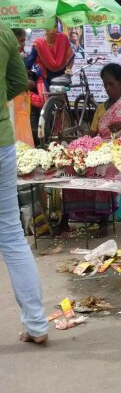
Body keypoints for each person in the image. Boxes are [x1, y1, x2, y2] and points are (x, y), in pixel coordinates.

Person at [0, 22, 48, 344]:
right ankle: (37, 325)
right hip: (2, 142)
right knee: (12, 234)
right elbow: (19, 80)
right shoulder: (4, 32)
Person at [63, 64, 121, 227]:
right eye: (105, 84)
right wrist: (80, 143)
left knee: (103, 168)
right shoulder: (100, 108)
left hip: (120, 151)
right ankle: (65, 217)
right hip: (99, 148)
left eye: (111, 84)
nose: (107, 88)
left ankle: (103, 218)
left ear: (120, 82)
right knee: (71, 165)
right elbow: (92, 134)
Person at [10, 28, 34, 146]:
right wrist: (26, 83)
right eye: (21, 40)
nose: (24, 43)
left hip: (19, 100)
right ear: (13, 40)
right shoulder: (11, 55)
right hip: (15, 101)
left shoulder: (16, 55)